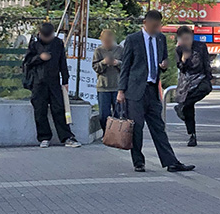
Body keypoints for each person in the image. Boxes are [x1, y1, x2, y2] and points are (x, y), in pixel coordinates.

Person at [117, 10, 195, 174]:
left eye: (158, 26)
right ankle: (138, 162)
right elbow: (125, 67)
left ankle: (171, 162)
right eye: (153, 26)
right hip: (135, 90)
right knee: (136, 127)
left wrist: (165, 65)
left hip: (152, 89)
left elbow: (163, 59)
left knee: (158, 127)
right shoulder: (133, 39)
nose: (156, 29)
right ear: (145, 23)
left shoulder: (161, 39)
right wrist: (121, 90)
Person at [23, 22, 80, 148]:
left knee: (59, 109)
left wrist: (65, 80)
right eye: (47, 36)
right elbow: (27, 62)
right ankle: (44, 137)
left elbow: (62, 63)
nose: (49, 38)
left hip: (54, 81)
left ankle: (66, 137)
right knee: (40, 110)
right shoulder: (34, 44)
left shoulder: (58, 43)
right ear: (41, 35)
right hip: (38, 82)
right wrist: (39, 57)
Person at [174, 25, 213, 147]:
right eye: (183, 39)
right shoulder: (179, 50)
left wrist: (209, 77)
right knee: (189, 109)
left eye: (188, 38)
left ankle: (182, 106)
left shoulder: (200, 46)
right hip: (187, 80)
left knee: (205, 89)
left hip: (200, 77)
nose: (186, 41)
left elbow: (206, 62)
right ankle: (192, 135)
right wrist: (183, 60)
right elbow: (180, 68)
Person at [91, 30, 123, 133]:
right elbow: (95, 67)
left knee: (118, 113)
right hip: (103, 86)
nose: (107, 44)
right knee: (104, 114)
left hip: (117, 86)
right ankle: (107, 133)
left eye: (109, 41)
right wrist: (103, 62)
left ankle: (116, 134)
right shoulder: (98, 51)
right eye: (105, 41)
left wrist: (117, 63)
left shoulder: (120, 50)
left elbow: (126, 67)